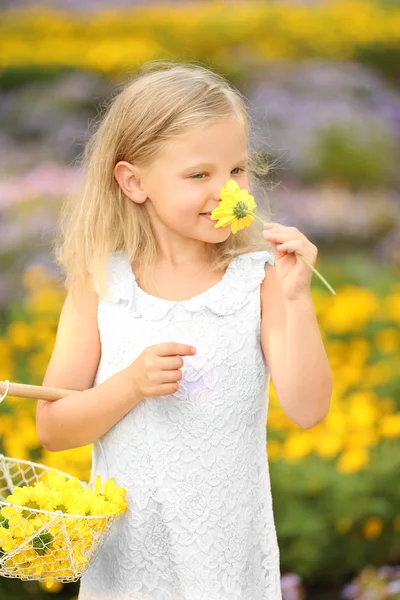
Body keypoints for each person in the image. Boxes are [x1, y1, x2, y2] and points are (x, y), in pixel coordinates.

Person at [36, 61, 333, 600]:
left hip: (225, 558)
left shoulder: (256, 282)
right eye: (199, 175)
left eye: (237, 171)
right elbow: (54, 428)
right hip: (129, 562)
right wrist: (128, 386)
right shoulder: (100, 284)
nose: (225, 190)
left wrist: (298, 300)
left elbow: (309, 409)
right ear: (133, 181)